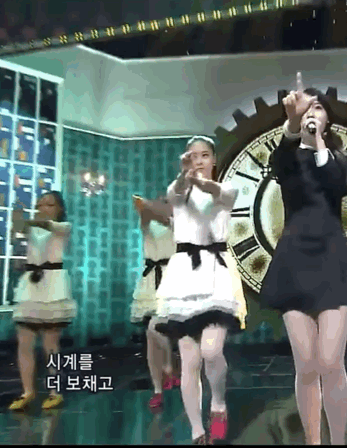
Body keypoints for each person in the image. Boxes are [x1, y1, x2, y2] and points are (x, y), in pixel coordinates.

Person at [259, 72, 347, 445]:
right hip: (293, 262)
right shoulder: (287, 157)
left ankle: (338, 440)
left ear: (328, 118)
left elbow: (337, 183)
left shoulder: (340, 160)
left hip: (333, 260)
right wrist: (293, 124)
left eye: (317, 107)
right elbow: (280, 161)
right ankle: (312, 441)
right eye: (306, 107)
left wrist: (316, 140)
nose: (311, 112)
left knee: (330, 362)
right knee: (306, 366)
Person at [154, 136, 247, 445]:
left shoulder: (227, 189)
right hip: (184, 275)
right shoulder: (177, 189)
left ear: (213, 160)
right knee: (189, 360)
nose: (199, 161)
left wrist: (200, 181)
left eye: (204, 155)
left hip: (215, 272)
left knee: (211, 350)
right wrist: (185, 176)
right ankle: (196, 429)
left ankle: (218, 403)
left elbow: (215, 192)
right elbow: (177, 192)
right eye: (193, 156)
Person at [8, 191, 77, 411]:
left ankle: (55, 392)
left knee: (50, 344)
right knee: (24, 342)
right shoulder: (33, 228)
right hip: (31, 285)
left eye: (49, 204)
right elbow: (18, 228)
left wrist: (26, 220)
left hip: (53, 286)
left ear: (59, 209)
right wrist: (17, 214)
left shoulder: (63, 227)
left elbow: (44, 224)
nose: (43, 208)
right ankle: (27, 391)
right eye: (40, 205)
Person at [131, 194, 180, 409]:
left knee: (154, 327)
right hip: (151, 278)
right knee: (150, 337)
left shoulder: (179, 222)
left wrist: (150, 205)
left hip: (173, 277)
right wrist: (143, 207)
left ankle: (169, 366)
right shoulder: (149, 222)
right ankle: (158, 389)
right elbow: (145, 218)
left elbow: (164, 217)